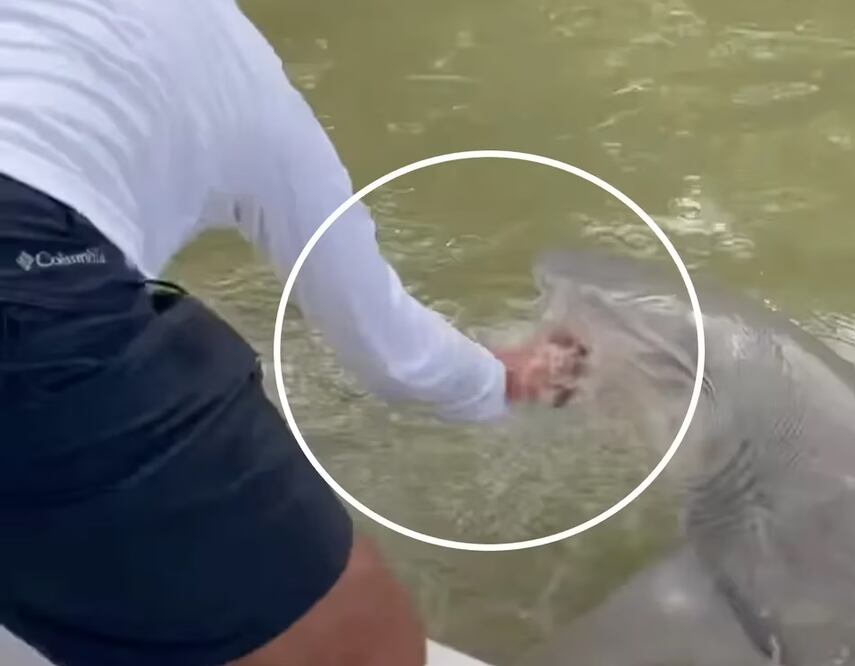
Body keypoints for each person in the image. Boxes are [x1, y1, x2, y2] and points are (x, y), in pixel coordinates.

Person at [0, 2, 586, 665]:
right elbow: (392, 354)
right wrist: (502, 378)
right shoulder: (221, 55)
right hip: (28, 275)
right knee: (359, 641)